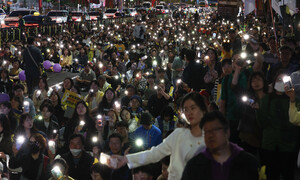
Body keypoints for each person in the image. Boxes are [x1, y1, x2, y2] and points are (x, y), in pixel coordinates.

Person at [112, 92, 207, 180]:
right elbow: (155, 153)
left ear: (203, 109)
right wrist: (127, 159)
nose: (189, 112)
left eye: (193, 108)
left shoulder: (210, 137)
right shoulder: (178, 134)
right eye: (186, 109)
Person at [181, 111, 259, 180]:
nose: (210, 135)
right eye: (207, 131)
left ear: (227, 132)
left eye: (215, 130)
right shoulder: (195, 166)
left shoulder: (248, 163)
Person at [256, 71, 300, 180]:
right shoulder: (267, 99)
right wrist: (258, 110)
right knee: (270, 174)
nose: (280, 83)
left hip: (288, 145)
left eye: (283, 80)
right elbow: (262, 122)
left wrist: (292, 98)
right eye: (278, 80)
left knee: (288, 173)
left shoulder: (294, 100)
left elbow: (294, 121)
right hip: (270, 144)